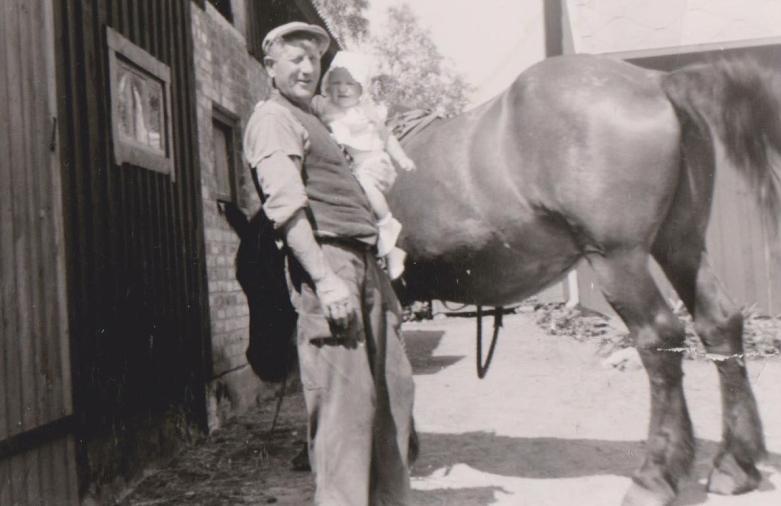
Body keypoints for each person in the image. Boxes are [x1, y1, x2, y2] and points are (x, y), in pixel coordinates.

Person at [243, 22, 415, 506]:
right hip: (331, 262)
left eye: (313, 59)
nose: (305, 67)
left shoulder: (319, 118)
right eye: (293, 57)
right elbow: (286, 207)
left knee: (393, 394)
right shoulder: (273, 118)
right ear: (269, 65)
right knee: (346, 409)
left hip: (365, 258)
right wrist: (324, 279)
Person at [312, 51, 416, 279]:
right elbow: (302, 107)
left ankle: (390, 228)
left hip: (374, 162)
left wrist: (402, 158)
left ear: (361, 88)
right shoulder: (325, 107)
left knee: (367, 187)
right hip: (355, 168)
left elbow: (387, 136)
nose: (343, 88)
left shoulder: (366, 110)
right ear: (327, 85)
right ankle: (389, 252)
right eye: (337, 83)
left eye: (351, 83)